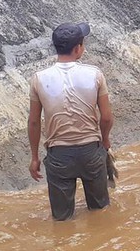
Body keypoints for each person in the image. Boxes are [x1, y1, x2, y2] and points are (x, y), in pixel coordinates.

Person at [27, 22, 114, 221]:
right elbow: (107, 117)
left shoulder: (39, 79)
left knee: (62, 219)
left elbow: (33, 122)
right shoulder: (95, 74)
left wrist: (34, 157)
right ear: (78, 48)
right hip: (91, 151)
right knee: (101, 212)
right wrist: (105, 141)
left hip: (59, 155)